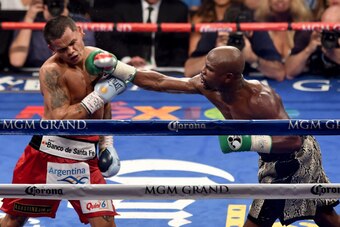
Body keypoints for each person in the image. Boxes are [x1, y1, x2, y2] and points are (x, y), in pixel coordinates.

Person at [87, 46, 340, 226]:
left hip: (293, 158)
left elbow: (292, 140)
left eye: (208, 69)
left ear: (228, 77)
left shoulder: (261, 99)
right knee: (322, 212)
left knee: (259, 217)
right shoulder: (207, 85)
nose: (202, 73)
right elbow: (161, 81)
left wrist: (247, 141)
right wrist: (119, 68)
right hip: (274, 156)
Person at [0, 16, 122, 226]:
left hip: (85, 157)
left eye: (73, 43)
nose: (71, 51)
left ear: (81, 32)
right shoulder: (51, 71)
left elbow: (132, 85)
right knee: (15, 220)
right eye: (63, 49)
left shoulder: (99, 60)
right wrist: (96, 97)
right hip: (47, 154)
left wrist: (106, 143)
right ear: (52, 48)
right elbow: (59, 119)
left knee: (106, 222)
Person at [184, 1, 286, 81]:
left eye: (240, 32)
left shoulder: (256, 30)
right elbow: (189, 71)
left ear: (249, 31)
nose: (235, 35)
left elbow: (279, 73)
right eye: (231, 31)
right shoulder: (217, 29)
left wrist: (252, 58)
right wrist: (215, 54)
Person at [9, 0, 95, 68]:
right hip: (34, 73)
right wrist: (29, 18)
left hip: (70, 71)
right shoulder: (30, 21)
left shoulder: (80, 22)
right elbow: (16, 61)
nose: (55, 5)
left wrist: (64, 21)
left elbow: (85, 59)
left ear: (66, 2)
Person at [109, 0, 189, 69]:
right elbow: (116, 40)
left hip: (164, 70)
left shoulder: (178, 8)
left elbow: (180, 48)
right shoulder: (122, 6)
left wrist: (171, 73)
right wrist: (127, 60)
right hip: (129, 69)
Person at [285, 4, 340, 78]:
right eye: (325, 28)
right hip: (313, 82)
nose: (330, 34)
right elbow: (290, 72)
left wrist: (335, 54)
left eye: (335, 29)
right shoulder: (308, 32)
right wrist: (309, 49)